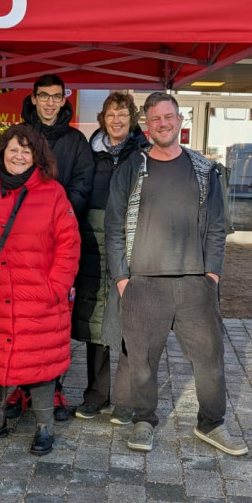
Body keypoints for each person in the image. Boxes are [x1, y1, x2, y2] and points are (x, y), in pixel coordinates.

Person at [104, 91, 247, 456]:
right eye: (155, 119)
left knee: (210, 357)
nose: (162, 124)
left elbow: (217, 228)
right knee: (141, 361)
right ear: (147, 126)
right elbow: (114, 227)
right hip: (142, 284)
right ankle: (143, 420)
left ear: (180, 121)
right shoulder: (131, 169)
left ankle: (211, 423)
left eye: (168, 117)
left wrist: (211, 276)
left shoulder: (204, 170)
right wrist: (122, 279)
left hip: (194, 283)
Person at [0, 124, 80, 457]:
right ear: (1, 153)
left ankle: (44, 426)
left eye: (26, 150)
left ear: (36, 157)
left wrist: (54, 289)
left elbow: (69, 244)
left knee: (41, 364)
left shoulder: (53, 194)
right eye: (13, 149)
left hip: (38, 299)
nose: (19, 156)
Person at [6, 74, 94, 421]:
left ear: (63, 99)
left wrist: (54, 216)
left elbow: (82, 186)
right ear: (33, 97)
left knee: (55, 319)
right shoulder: (18, 135)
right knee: (19, 318)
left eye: (56, 96)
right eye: (44, 96)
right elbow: (4, 178)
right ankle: (21, 385)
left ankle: (52, 387)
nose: (50, 102)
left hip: (59, 241)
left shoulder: (75, 141)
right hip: (20, 243)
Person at [71, 91, 148, 424]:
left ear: (132, 119)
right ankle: (95, 395)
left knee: (130, 317)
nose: (117, 120)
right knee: (96, 320)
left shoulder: (144, 155)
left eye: (123, 114)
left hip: (131, 242)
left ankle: (126, 399)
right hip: (93, 243)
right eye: (111, 115)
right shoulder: (91, 154)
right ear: (103, 119)